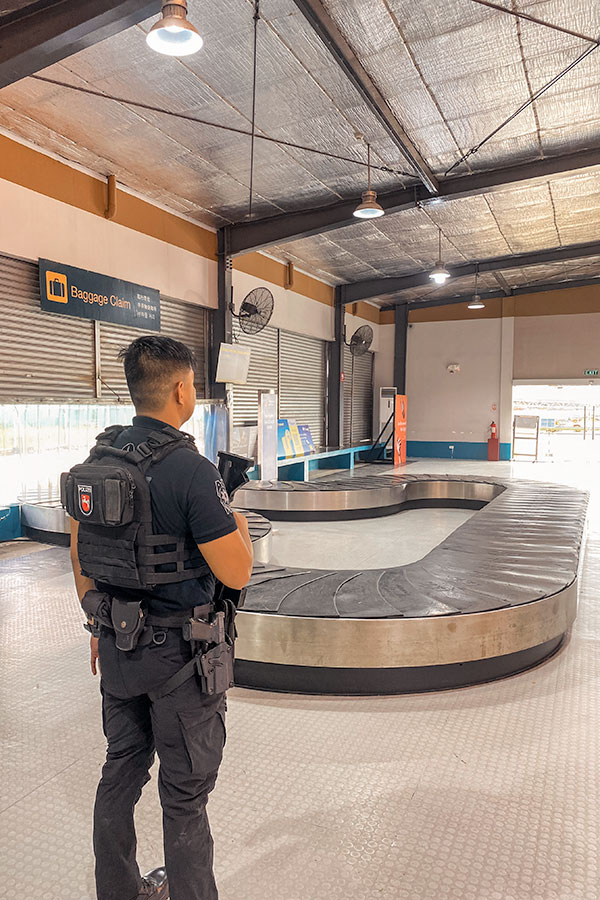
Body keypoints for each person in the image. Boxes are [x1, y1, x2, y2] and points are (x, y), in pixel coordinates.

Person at [68, 335, 254, 900]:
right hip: (182, 662)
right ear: (180, 390)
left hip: (117, 648)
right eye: (192, 383)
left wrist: (100, 622)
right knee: (185, 799)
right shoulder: (192, 471)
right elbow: (237, 571)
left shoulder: (96, 463)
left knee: (119, 771)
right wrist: (239, 524)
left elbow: (80, 556)